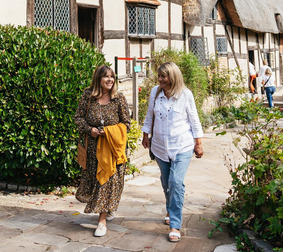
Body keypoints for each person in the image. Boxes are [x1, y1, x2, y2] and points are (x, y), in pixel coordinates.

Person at [141, 62, 204, 243]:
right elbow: (149, 115)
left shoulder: (185, 95)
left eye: (164, 76)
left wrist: (198, 143)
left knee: (176, 182)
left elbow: (194, 119)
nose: (160, 79)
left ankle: (175, 225)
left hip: (182, 145)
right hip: (160, 146)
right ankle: (170, 208)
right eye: (159, 76)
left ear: (173, 77)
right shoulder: (156, 92)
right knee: (166, 181)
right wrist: (146, 135)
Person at [74, 65, 131, 237]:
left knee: (106, 183)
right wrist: (89, 129)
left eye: (112, 76)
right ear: (98, 79)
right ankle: (107, 207)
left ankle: (102, 221)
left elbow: (126, 124)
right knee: (96, 182)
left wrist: (109, 131)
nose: (110, 80)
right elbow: (78, 118)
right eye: (106, 76)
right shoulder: (88, 96)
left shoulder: (118, 98)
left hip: (112, 150)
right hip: (92, 150)